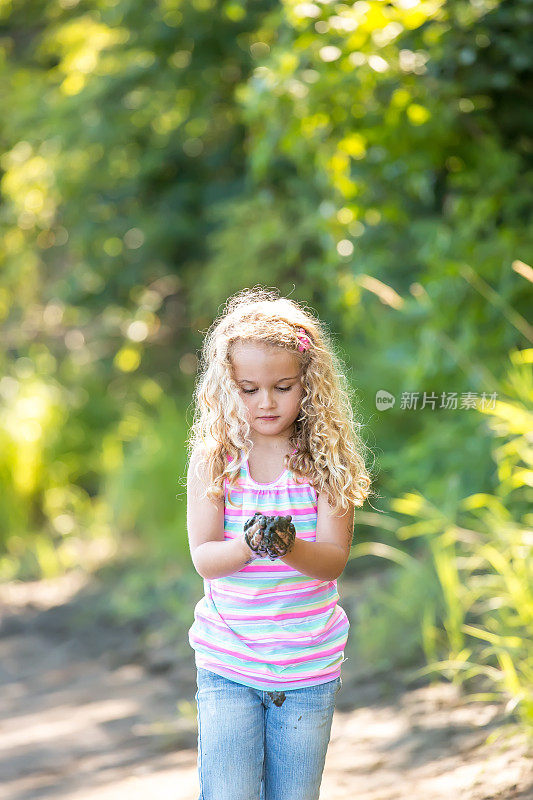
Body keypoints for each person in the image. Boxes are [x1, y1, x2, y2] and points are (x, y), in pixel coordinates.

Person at [186, 287, 373, 800]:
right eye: (248, 390)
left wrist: (287, 545)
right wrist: (251, 544)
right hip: (229, 659)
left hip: (308, 663)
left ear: (308, 383)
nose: (266, 402)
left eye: (283, 386)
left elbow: (332, 561)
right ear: (227, 387)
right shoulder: (217, 458)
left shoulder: (325, 460)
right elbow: (204, 555)